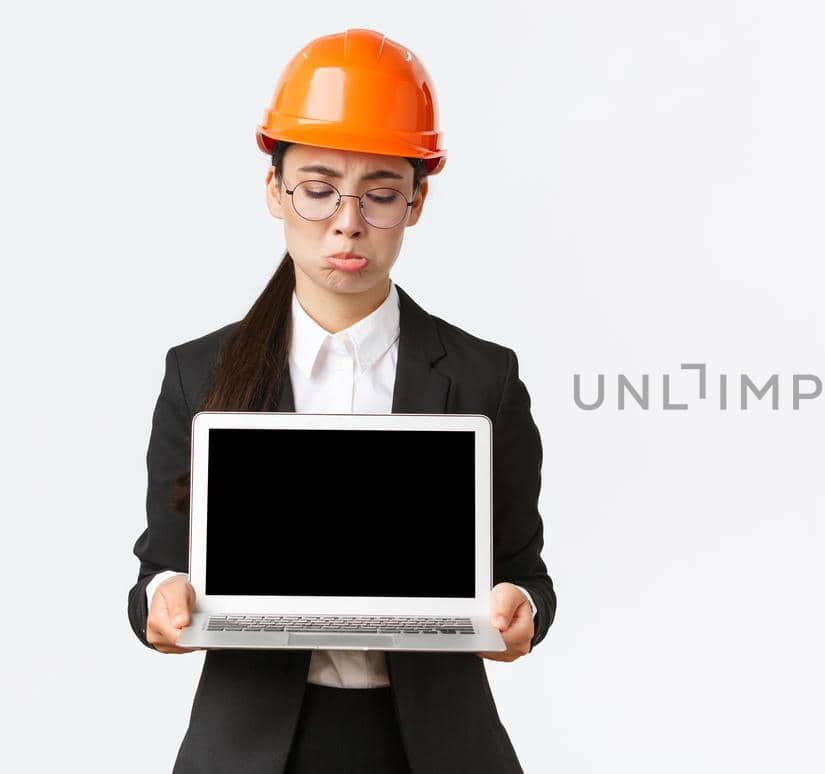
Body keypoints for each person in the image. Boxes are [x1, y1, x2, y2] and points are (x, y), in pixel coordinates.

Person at [125, 29, 556, 774]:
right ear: (275, 191)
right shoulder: (201, 374)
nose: (348, 222)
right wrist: (165, 603)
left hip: (433, 746)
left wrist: (521, 606)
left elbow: (525, 571)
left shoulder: (483, 379)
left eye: (381, 194)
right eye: (319, 189)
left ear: (417, 202)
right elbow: (158, 568)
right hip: (254, 747)